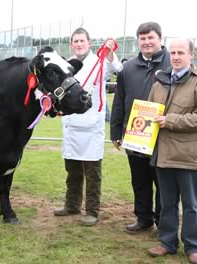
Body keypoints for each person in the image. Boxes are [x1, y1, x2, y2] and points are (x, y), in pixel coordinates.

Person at [147, 39, 197, 264]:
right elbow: (148, 115)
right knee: (166, 203)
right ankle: (167, 242)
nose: (176, 57)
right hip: (164, 156)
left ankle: (193, 246)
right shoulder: (159, 83)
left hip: (189, 157)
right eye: (173, 52)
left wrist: (172, 120)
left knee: (191, 206)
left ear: (191, 55)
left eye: (181, 53)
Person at [54, 27, 123, 226]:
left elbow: (117, 68)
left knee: (92, 172)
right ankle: (72, 204)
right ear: (71, 44)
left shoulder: (100, 62)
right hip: (71, 125)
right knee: (72, 170)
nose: (78, 44)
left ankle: (92, 210)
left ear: (89, 43)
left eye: (82, 41)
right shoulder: (65, 64)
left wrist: (109, 51)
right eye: (75, 41)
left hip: (92, 126)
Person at [110, 22, 170, 234]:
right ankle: (143, 218)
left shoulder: (173, 63)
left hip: (163, 136)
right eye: (142, 38)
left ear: (160, 39)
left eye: (150, 38)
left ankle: (164, 223)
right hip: (135, 134)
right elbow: (119, 101)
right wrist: (116, 131)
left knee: (163, 183)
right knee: (140, 180)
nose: (146, 42)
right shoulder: (128, 68)